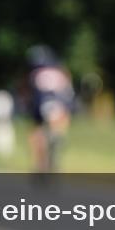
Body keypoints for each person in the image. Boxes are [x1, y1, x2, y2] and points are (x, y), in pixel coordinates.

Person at [24, 45, 74, 173]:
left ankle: (40, 165)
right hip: (61, 105)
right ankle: (56, 141)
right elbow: (68, 92)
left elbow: (34, 97)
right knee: (58, 129)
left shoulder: (35, 74)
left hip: (43, 103)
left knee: (36, 133)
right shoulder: (61, 71)